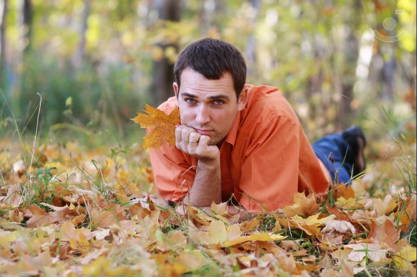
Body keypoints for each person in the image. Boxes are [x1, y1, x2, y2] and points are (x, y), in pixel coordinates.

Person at [149, 38, 366, 213]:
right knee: (317, 149)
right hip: (255, 169)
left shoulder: (272, 116)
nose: (202, 118)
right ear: (176, 93)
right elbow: (189, 213)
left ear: (241, 98)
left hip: (317, 176)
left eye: (217, 102)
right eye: (190, 100)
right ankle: (339, 141)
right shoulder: (163, 122)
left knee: (333, 167)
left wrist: (203, 208)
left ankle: (348, 143)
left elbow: (259, 215)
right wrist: (208, 164)